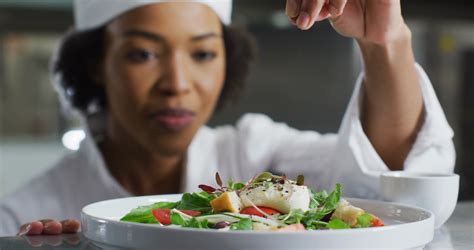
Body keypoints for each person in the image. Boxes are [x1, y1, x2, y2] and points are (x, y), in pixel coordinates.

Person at [0, 0, 455, 236]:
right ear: (97, 63)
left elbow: (392, 183)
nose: (177, 83)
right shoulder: (25, 212)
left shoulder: (255, 150)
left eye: (202, 53)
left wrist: (383, 41)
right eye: (142, 53)